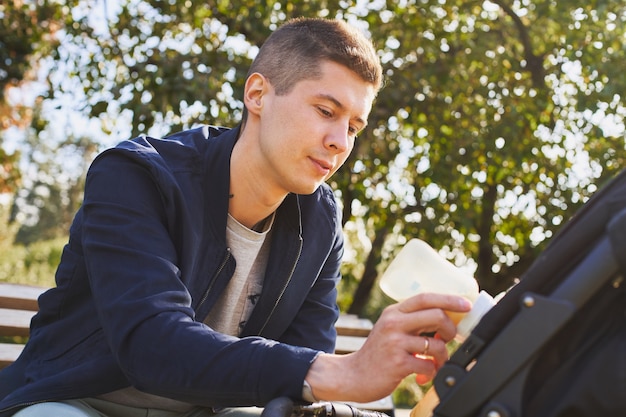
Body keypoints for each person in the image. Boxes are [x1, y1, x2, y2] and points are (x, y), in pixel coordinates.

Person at [0, 17, 471, 417]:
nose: (340, 142)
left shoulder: (321, 220)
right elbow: (151, 342)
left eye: (353, 126)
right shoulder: (136, 175)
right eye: (326, 111)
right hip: (77, 402)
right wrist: (340, 371)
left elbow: (303, 359)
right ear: (258, 94)